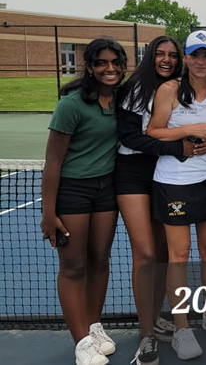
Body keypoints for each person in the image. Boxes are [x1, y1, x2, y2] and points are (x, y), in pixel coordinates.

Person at [40, 38, 127, 365]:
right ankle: (81, 343)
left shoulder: (121, 99)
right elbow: (52, 162)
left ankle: (94, 328)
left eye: (115, 63)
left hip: (106, 190)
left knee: (100, 259)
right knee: (74, 266)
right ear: (89, 66)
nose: (110, 69)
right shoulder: (71, 105)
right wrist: (49, 213)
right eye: (102, 63)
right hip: (73, 191)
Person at [147, 30, 206, 360]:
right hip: (174, 182)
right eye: (195, 54)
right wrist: (188, 129)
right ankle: (182, 328)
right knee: (178, 255)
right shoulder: (169, 89)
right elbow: (153, 130)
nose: (200, 61)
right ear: (186, 58)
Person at [115, 35, 194, 365]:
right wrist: (174, 148)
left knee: (163, 252)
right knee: (146, 253)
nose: (167, 59)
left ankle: (158, 315)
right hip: (133, 172)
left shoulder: (181, 87)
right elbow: (131, 135)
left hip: (164, 173)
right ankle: (146, 334)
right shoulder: (137, 88)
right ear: (150, 57)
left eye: (172, 55)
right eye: (160, 54)